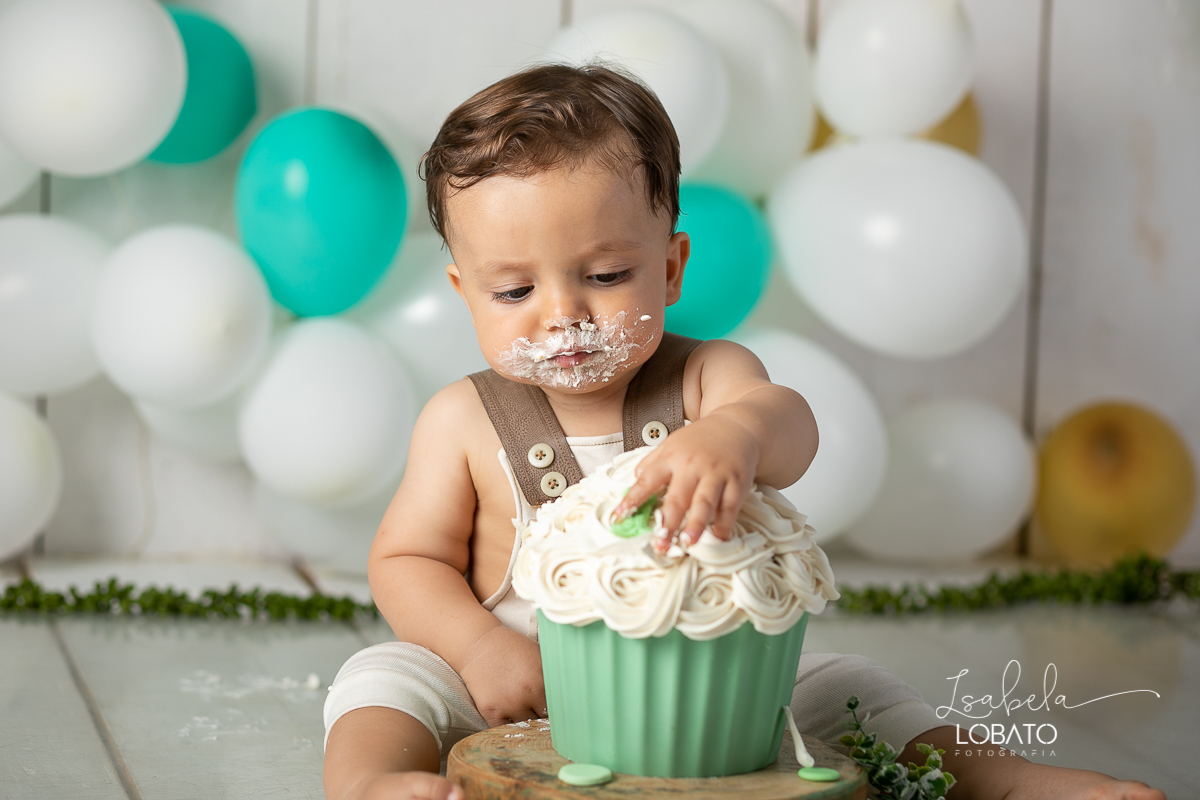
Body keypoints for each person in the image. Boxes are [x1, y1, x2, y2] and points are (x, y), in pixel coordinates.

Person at [322, 64, 1165, 800]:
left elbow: (790, 428)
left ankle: (999, 778)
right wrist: (475, 647)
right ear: (464, 292)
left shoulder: (704, 378)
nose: (565, 315)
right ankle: (370, 785)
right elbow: (407, 560)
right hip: (517, 677)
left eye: (607, 275)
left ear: (673, 267)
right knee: (385, 678)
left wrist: (737, 436)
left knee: (852, 687)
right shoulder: (464, 419)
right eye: (513, 293)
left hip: (700, 681)